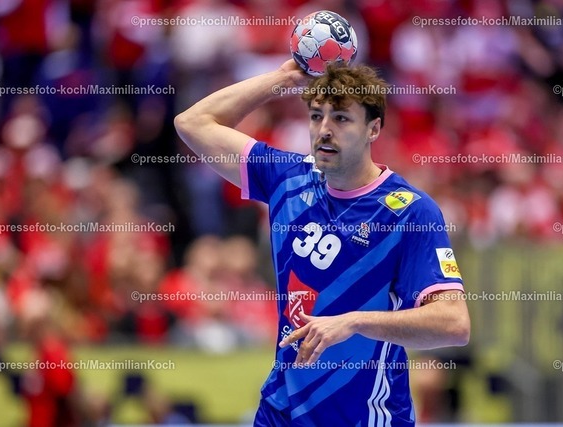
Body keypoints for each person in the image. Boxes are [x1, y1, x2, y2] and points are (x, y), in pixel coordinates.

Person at [174, 59, 470, 427]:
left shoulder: (409, 212)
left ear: (373, 129)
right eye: (316, 116)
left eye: (341, 118)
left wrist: (354, 322)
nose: (324, 130)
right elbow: (192, 123)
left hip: (365, 418)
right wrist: (284, 78)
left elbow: (454, 323)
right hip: (280, 412)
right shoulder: (288, 179)